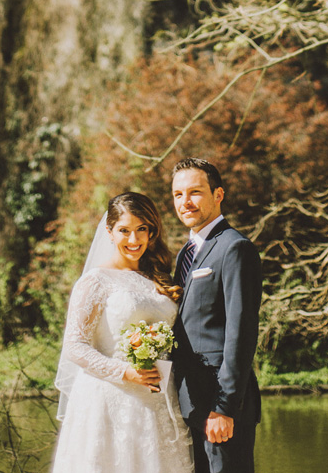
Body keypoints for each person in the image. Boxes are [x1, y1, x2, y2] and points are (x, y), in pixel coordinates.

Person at [52, 191, 193, 473]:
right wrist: (126, 372)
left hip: (158, 398)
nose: (134, 239)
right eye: (124, 231)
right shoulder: (95, 281)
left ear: (151, 232)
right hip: (111, 399)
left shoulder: (158, 277)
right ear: (110, 232)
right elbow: (75, 345)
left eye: (142, 229)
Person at [170, 157, 262, 473]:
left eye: (195, 192)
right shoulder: (186, 253)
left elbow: (241, 332)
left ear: (218, 194)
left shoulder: (235, 248)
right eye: (178, 194)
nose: (185, 202)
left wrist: (224, 407)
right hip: (190, 402)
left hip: (220, 406)